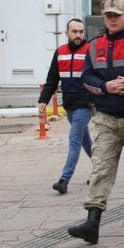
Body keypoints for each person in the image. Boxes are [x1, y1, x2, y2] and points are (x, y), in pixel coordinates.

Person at [67, 0, 124, 244]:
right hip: (106, 117)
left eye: (117, 14)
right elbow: (86, 76)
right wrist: (106, 86)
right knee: (100, 169)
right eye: (108, 15)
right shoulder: (93, 45)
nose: (112, 18)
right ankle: (92, 222)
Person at [39, 18, 93, 194]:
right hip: (69, 104)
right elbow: (52, 79)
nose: (78, 35)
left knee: (74, 140)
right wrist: (43, 101)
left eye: (81, 31)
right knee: (85, 140)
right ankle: (102, 169)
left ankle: (64, 180)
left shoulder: (90, 50)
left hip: (85, 104)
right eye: (74, 31)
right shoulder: (60, 52)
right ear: (67, 33)